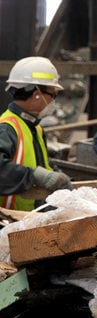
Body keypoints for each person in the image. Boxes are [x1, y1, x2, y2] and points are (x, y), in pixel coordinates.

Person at [1, 57, 73, 210]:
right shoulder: (7, 127)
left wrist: (54, 173)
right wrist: (37, 175)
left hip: (28, 218)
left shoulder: (34, 127)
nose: (53, 101)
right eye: (52, 95)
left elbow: (38, 162)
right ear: (36, 94)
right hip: (8, 221)